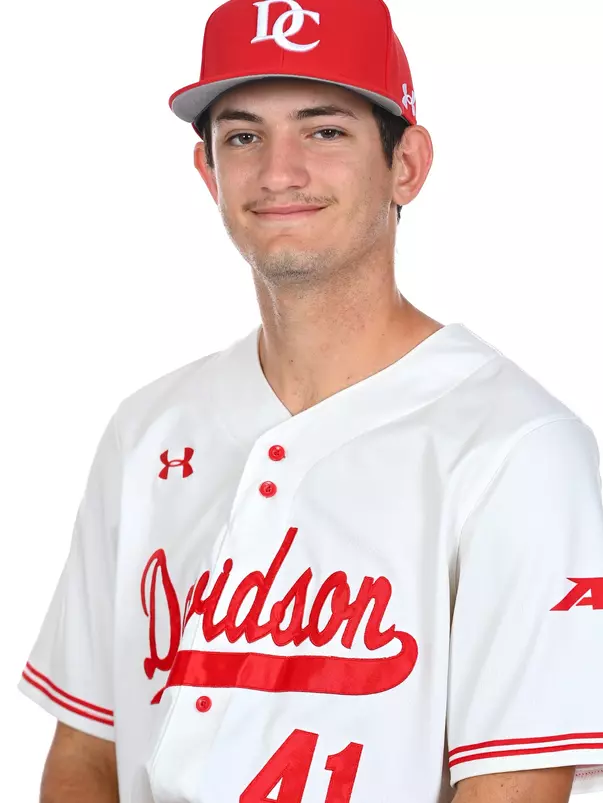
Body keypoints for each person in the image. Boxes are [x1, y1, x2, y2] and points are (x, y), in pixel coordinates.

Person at [18, 0, 603, 801]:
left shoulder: (519, 446)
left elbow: (514, 784)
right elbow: (87, 753)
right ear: (207, 172)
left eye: (323, 130)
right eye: (242, 135)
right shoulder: (147, 428)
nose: (278, 170)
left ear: (406, 164)